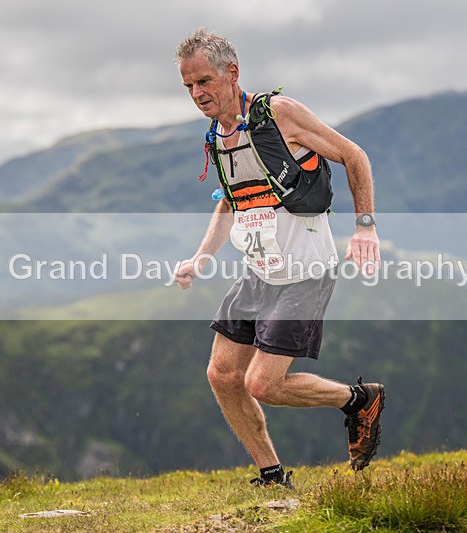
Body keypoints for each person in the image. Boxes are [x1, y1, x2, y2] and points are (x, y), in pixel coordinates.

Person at [173, 28, 385, 488]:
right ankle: (273, 476)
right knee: (222, 374)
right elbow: (230, 203)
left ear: (232, 73)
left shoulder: (279, 115)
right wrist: (201, 258)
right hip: (258, 272)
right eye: (189, 85)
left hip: (305, 273)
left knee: (263, 385)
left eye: (205, 81)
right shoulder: (219, 135)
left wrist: (365, 227)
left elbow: (355, 156)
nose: (197, 94)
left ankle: (357, 400)